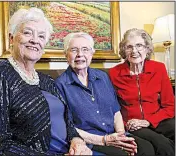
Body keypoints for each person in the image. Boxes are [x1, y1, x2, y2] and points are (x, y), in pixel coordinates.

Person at [0, 8, 92, 156]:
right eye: (27, 32)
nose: (35, 40)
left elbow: (67, 121)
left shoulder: (47, 80)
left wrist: (77, 140)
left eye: (41, 36)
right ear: (11, 38)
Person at [55, 32, 155, 155]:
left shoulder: (102, 77)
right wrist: (105, 140)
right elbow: (67, 126)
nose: (80, 54)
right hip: (91, 140)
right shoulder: (60, 85)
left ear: (92, 53)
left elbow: (115, 110)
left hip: (114, 134)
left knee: (146, 148)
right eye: (74, 50)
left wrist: (120, 136)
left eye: (85, 49)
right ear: (66, 54)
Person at [109, 28, 175, 156]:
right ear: (124, 50)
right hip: (133, 124)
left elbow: (170, 105)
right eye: (129, 47)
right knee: (162, 144)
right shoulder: (114, 73)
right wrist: (124, 125)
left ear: (147, 48)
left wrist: (149, 121)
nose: (134, 51)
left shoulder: (159, 68)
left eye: (139, 45)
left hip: (157, 120)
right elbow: (111, 108)